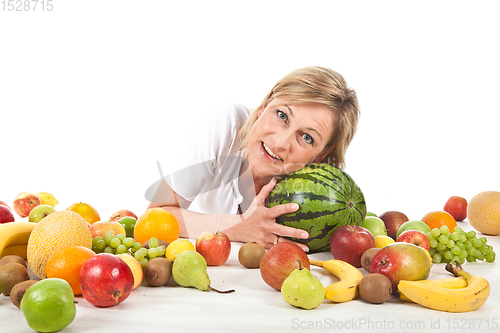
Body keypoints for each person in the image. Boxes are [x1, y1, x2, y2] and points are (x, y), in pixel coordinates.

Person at [146, 66, 360, 252]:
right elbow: (154, 217)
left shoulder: (319, 197)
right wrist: (239, 226)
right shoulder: (226, 125)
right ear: (265, 105)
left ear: (321, 155)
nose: (280, 142)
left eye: (307, 137)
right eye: (282, 115)